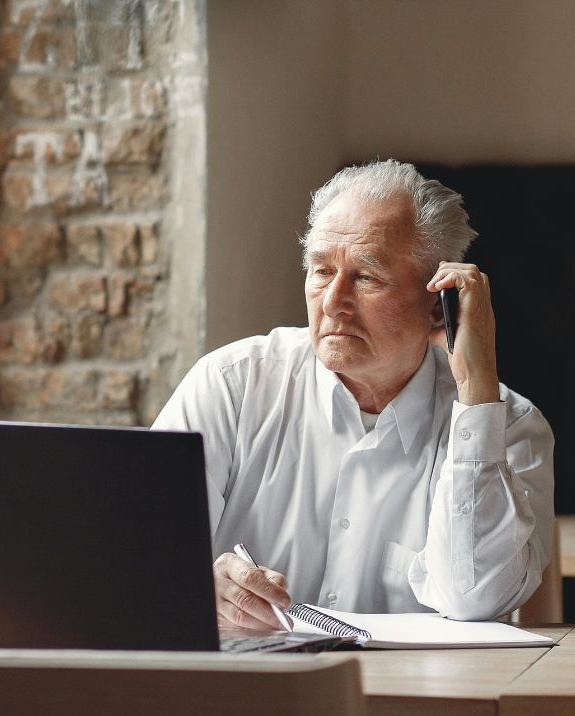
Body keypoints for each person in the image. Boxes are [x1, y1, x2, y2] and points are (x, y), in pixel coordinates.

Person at [153, 160, 554, 629]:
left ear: (437, 304)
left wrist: (476, 393)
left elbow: (477, 599)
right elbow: (133, 555)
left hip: (420, 697)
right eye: (321, 270)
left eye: (366, 278)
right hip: (247, 690)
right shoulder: (232, 386)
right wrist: (202, 583)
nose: (332, 301)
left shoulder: (509, 426)